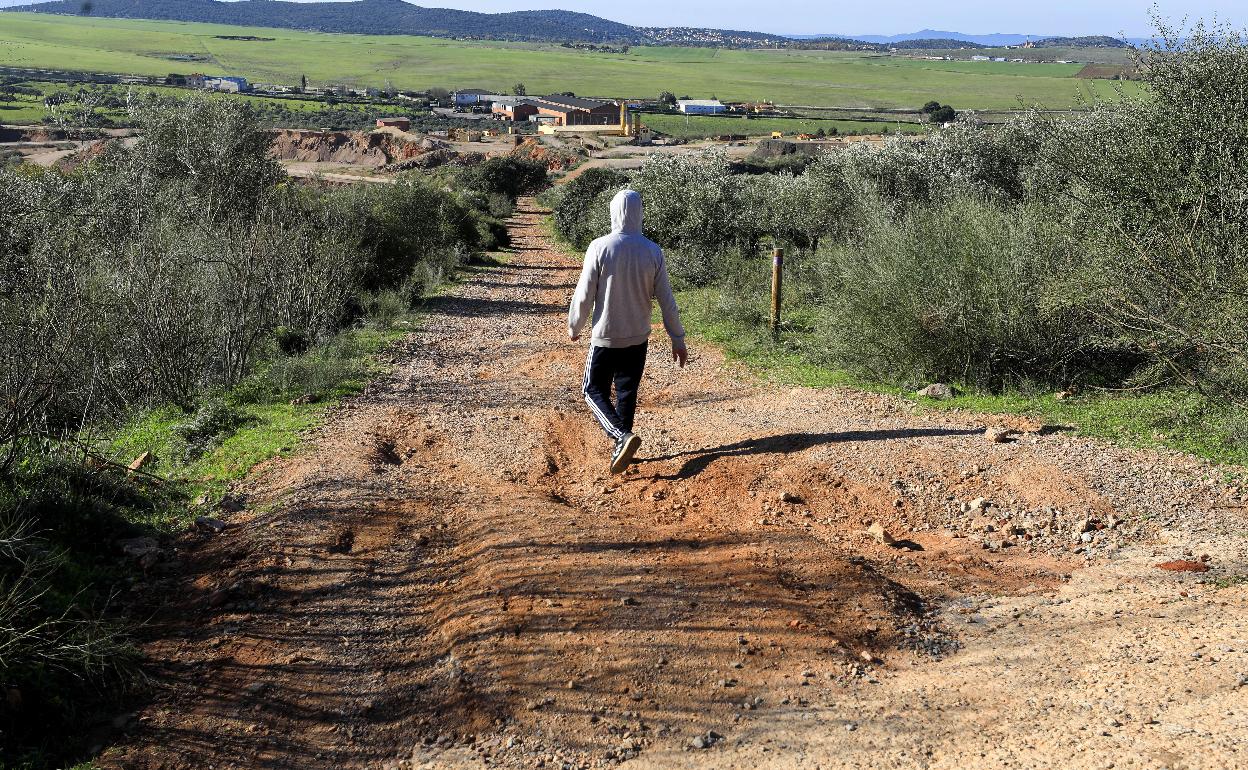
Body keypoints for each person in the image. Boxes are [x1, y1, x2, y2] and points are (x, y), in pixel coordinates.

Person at [568, 189, 687, 474]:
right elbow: (666, 298)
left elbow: (585, 293)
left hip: (606, 336)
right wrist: (677, 338)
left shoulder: (600, 247)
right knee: (626, 392)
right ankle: (623, 448)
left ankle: (621, 437)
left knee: (591, 389)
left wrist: (575, 324)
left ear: (612, 212)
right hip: (638, 337)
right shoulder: (652, 250)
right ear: (639, 213)